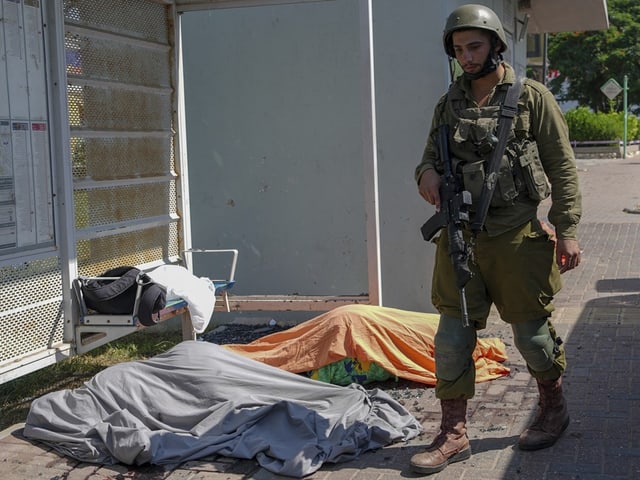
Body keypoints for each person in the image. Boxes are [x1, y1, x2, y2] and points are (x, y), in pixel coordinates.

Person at [411, 4, 582, 475]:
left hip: (516, 236)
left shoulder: (531, 98)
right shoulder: (448, 104)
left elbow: (562, 168)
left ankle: (553, 410)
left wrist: (566, 229)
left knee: (531, 334)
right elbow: (427, 156)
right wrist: (426, 174)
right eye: (459, 48)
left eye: (475, 46)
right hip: (460, 236)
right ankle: (453, 432)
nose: (466, 57)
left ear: (495, 46)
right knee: (451, 336)